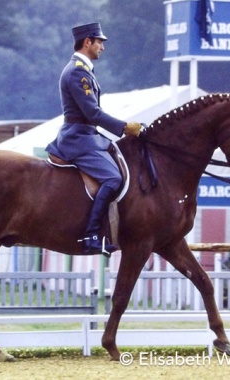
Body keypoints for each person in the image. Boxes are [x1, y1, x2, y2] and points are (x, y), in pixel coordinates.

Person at [45, 22, 143, 256]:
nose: (103, 47)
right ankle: (91, 235)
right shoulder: (77, 71)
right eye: (99, 42)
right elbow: (92, 113)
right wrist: (124, 127)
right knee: (112, 178)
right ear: (87, 42)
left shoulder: (83, 69)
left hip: (87, 136)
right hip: (78, 138)